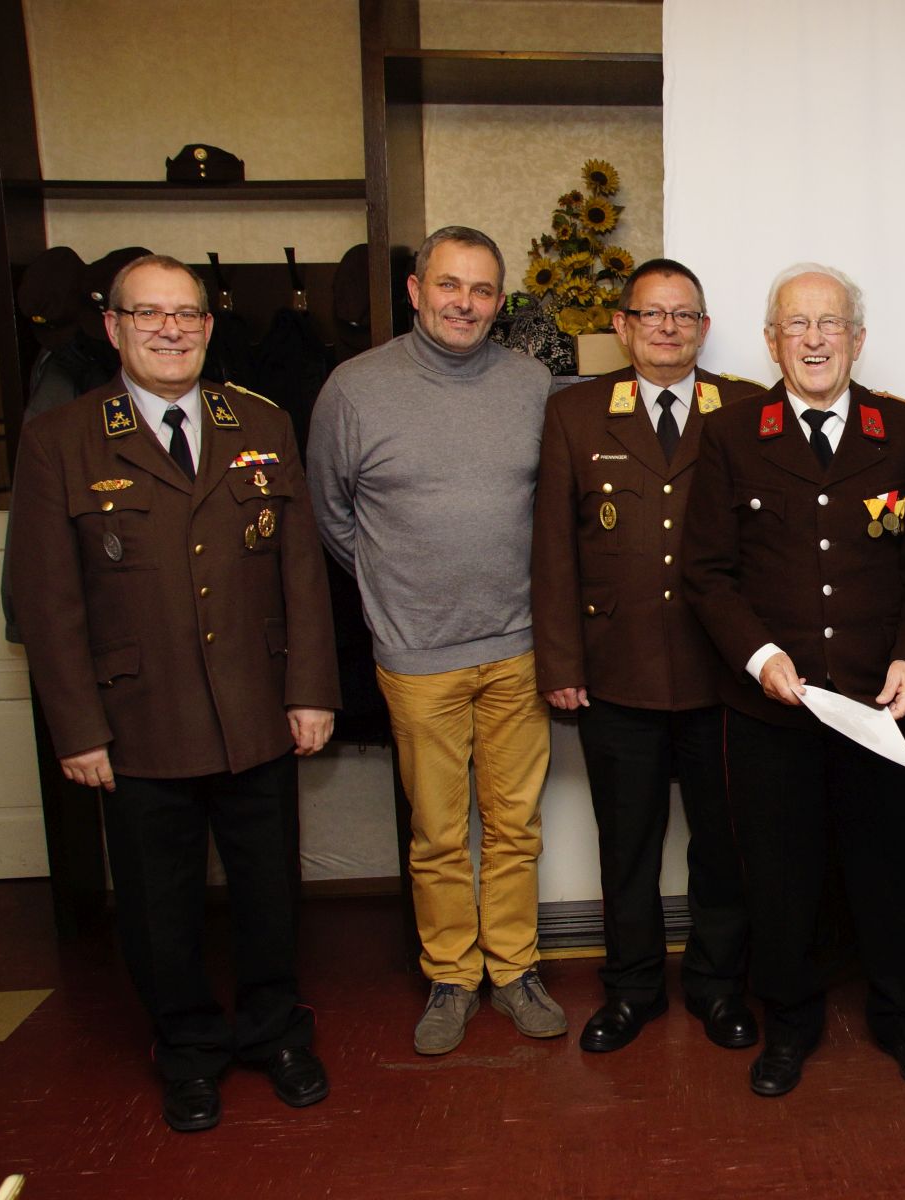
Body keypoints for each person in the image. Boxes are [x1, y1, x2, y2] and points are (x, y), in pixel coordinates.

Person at [9, 254, 340, 1132]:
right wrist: (77, 729)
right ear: (113, 327)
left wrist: (311, 689)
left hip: (256, 709)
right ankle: (188, 1050)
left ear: (208, 325)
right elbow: (46, 601)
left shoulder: (260, 422)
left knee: (270, 891)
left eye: (186, 314)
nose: (170, 329)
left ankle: (276, 1033)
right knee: (159, 906)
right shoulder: (62, 439)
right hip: (138, 718)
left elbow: (301, 575)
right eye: (148, 313)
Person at [681, 263, 905, 1097]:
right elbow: (707, 571)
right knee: (780, 880)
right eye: (796, 324)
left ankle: (903, 1020)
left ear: (857, 338)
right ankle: (789, 1025)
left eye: (830, 323)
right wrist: (759, 656)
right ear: (771, 341)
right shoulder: (731, 433)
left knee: (886, 874)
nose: (815, 339)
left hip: (875, 704)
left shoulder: (901, 429)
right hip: (772, 709)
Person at [307, 226, 566, 1055]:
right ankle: (452, 977)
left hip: (518, 647)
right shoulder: (355, 389)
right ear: (417, 291)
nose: (465, 303)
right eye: (449, 285)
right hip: (416, 655)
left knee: (516, 826)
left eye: (482, 290)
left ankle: (515, 969)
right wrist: (394, 589)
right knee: (440, 834)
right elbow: (331, 515)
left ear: (500, 301)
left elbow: (554, 506)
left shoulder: (532, 385)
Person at [531, 259, 758, 1053]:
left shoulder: (746, 409)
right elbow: (553, 549)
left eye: (683, 315)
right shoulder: (576, 413)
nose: (668, 327)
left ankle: (719, 985)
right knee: (626, 844)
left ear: (704, 328)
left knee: (723, 844)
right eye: (651, 314)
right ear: (622, 326)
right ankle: (630, 990)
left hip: (722, 676)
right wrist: (561, 664)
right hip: (617, 670)